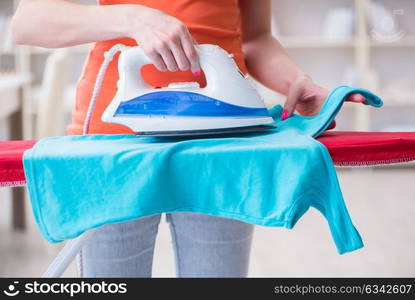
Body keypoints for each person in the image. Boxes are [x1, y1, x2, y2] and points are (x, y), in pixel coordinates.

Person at [12, 0, 365, 277]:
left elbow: (255, 38)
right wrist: (132, 18)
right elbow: (28, 21)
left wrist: (295, 83)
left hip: (222, 148)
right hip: (113, 145)